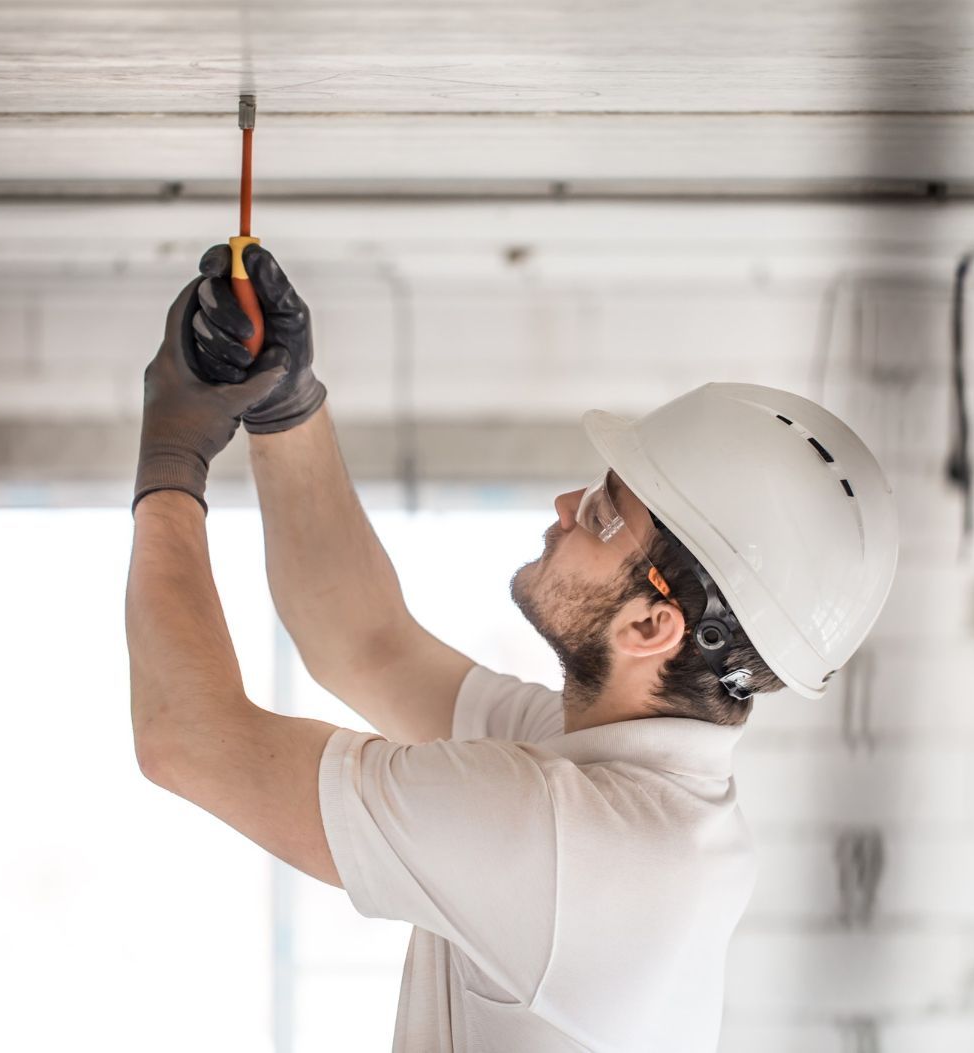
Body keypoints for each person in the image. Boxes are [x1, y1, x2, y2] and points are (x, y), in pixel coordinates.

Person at [125, 244, 899, 1052]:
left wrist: (170, 456)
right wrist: (287, 406)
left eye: (604, 512)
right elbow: (366, 643)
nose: (567, 503)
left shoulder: (572, 841)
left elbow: (186, 738)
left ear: (650, 627)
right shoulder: (616, 780)